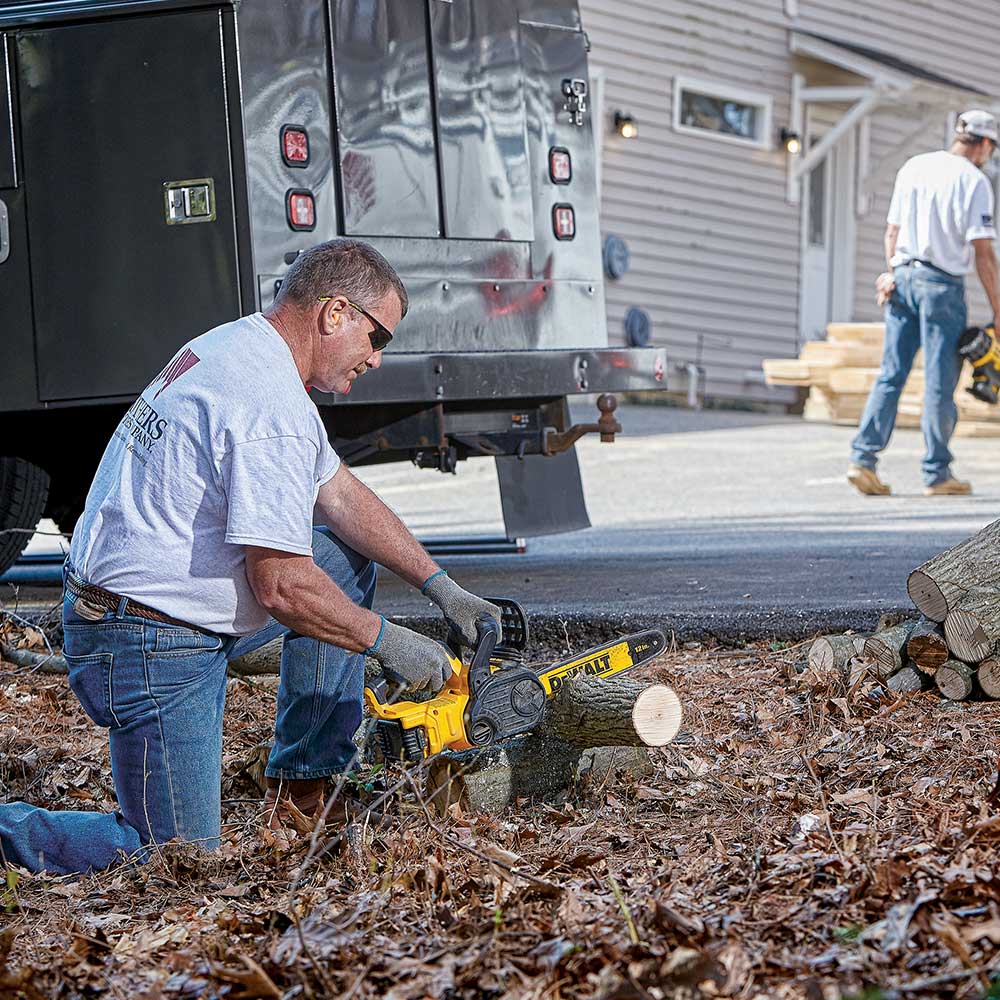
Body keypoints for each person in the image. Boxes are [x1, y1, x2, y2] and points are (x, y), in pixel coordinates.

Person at [0, 239, 500, 875]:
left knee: (340, 553)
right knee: (171, 856)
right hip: (143, 637)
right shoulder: (268, 403)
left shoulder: (249, 346)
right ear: (335, 312)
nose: (376, 359)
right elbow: (282, 588)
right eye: (378, 338)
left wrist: (441, 586)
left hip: (157, 608)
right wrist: (389, 642)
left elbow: (340, 493)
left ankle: (306, 786)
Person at [848, 109, 1000, 496]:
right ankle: (938, 474)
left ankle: (862, 461)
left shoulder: (915, 167)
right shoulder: (975, 181)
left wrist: (892, 271)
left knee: (891, 373)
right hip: (941, 287)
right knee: (938, 381)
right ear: (983, 145)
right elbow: (982, 253)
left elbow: (892, 231)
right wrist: (999, 310)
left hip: (902, 279)